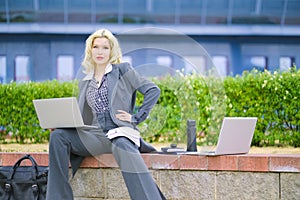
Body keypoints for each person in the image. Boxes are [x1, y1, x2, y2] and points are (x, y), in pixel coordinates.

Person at [46, 28, 166, 200]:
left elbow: (153, 90)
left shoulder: (123, 70)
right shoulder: (86, 80)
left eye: (105, 47)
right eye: (96, 47)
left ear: (112, 51)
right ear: (90, 50)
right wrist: (62, 125)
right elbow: (82, 117)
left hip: (118, 132)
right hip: (93, 135)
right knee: (58, 137)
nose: (100, 51)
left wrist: (135, 118)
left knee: (124, 146)